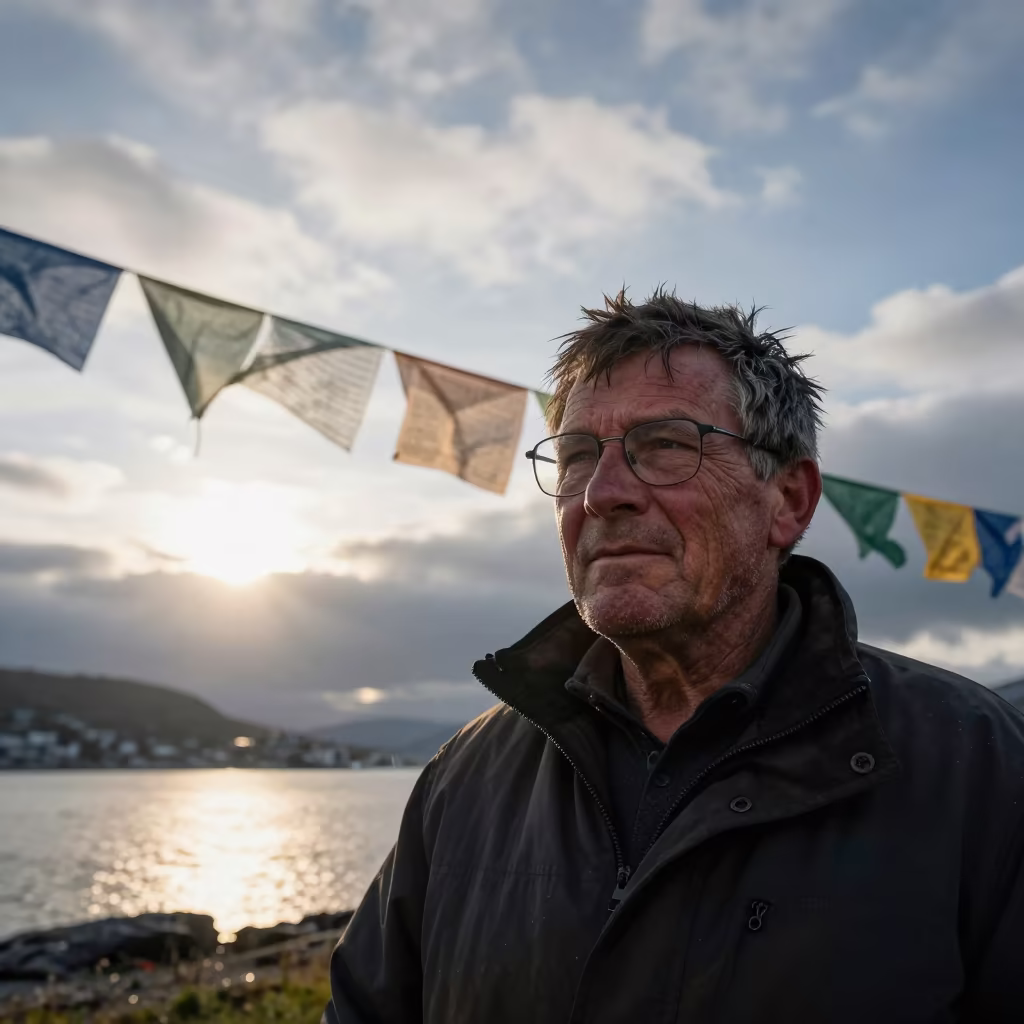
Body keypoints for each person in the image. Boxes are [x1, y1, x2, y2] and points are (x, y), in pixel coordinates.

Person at [323, 289, 1024, 1022]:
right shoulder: (463, 780)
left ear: (788, 500)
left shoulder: (981, 769)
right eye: (576, 456)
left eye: (665, 445)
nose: (602, 494)